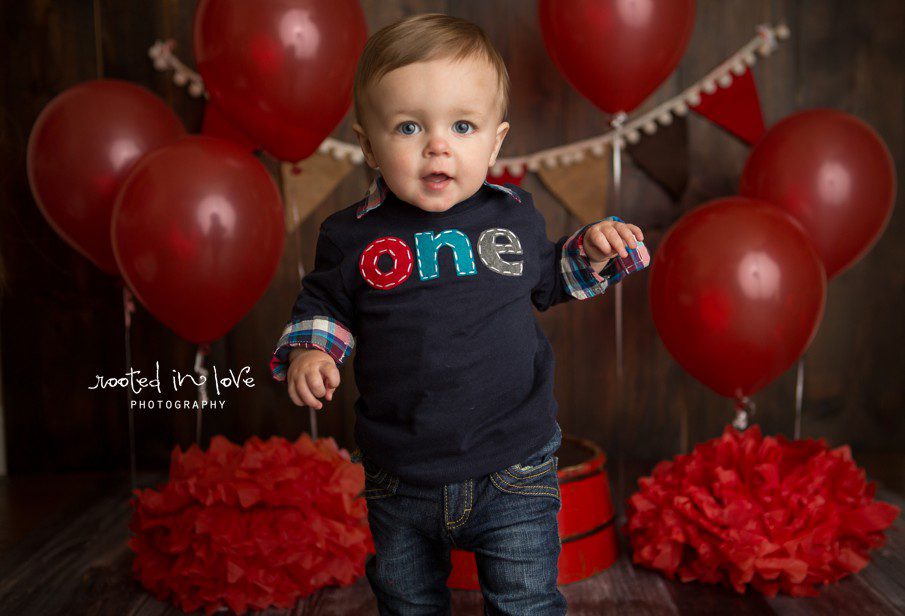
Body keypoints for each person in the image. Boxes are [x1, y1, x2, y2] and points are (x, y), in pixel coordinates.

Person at [271, 13, 649, 615]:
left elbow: (550, 279)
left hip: (514, 464)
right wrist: (315, 348)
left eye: (463, 125)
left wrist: (592, 250)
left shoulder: (514, 216)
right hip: (401, 472)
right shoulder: (350, 236)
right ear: (368, 142)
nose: (438, 145)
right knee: (407, 599)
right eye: (409, 126)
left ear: (495, 142)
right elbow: (327, 303)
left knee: (525, 601)